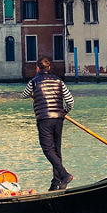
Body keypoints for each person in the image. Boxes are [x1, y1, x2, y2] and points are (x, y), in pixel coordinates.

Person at [21, 56, 74, 191]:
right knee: (56, 150)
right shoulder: (59, 81)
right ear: (49, 68)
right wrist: (64, 112)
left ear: (37, 68)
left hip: (44, 119)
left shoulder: (34, 82)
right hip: (59, 119)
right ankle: (56, 183)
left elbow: (24, 95)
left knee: (48, 149)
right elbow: (70, 101)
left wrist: (32, 94)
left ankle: (64, 174)